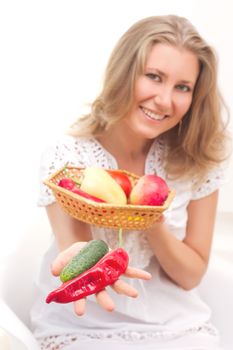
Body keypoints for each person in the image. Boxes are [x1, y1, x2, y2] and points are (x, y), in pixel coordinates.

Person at [30, 15, 231, 350]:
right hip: (83, 326)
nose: (165, 101)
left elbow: (191, 275)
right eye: (154, 77)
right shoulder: (67, 159)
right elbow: (75, 248)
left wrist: (150, 220)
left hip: (178, 328)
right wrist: (84, 261)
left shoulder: (197, 163)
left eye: (183, 87)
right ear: (124, 74)